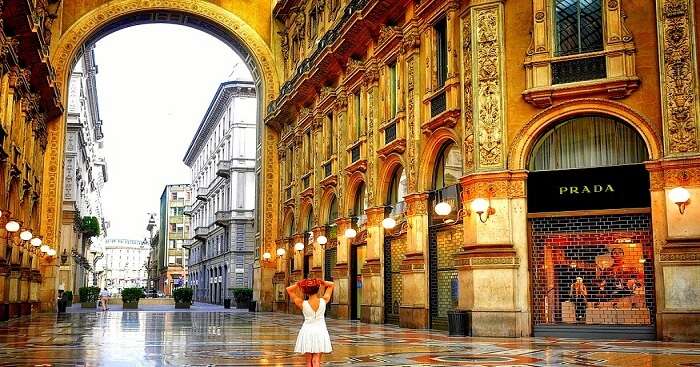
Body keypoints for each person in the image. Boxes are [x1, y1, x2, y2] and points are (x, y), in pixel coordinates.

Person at [286, 278, 334, 367]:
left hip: (307, 331)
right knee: (316, 360)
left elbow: (288, 289)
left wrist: (298, 284)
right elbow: (331, 284)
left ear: (306, 292)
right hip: (320, 331)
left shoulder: (302, 303)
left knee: (308, 361)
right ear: (318, 289)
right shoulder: (324, 300)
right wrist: (322, 282)